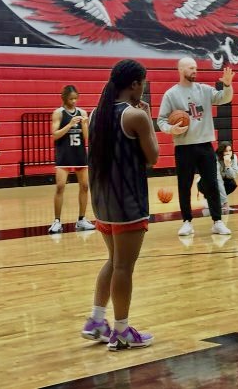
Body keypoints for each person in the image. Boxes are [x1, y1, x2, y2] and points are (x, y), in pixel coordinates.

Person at [82, 59, 159, 351]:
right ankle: (122, 331)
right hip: (127, 202)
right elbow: (153, 157)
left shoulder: (95, 113)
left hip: (102, 201)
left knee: (114, 261)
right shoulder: (134, 117)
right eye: (145, 82)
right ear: (136, 84)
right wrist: (148, 119)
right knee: (124, 266)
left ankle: (97, 321)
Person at [157, 58, 234, 236]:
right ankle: (186, 222)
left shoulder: (205, 90)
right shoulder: (171, 94)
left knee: (212, 184)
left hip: (205, 145)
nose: (195, 70)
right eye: (191, 68)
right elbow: (161, 120)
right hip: (183, 147)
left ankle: (217, 221)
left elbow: (224, 98)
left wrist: (228, 86)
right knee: (184, 185)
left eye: (196, 68)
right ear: (181, 69)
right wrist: (171, 128)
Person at [48, 85, 96, 234]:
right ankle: (57, 221)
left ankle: (81, 219)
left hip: (79, 154)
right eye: (71, 99)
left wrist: (84, 124)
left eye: (76, 98)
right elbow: (54, 135)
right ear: (64, 98)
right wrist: (69, 124)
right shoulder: (58, 113)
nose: (74, 101)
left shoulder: (82, 113)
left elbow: (87, 137)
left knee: (85, 186)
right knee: (60, 186)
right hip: (64, 155)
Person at [198, 141, 238, 211]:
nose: (228, 153)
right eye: (225, 151)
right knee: (214, 183)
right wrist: (226, 204)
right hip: (206, 181)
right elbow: (218, 180)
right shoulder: (215, 158)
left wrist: (228, 166)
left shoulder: (234, 157)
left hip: (222, 180)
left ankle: (219, 200)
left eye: (230, 150)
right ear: (221, 152)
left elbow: (233, 176)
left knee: (232, 184)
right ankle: (207, 197)